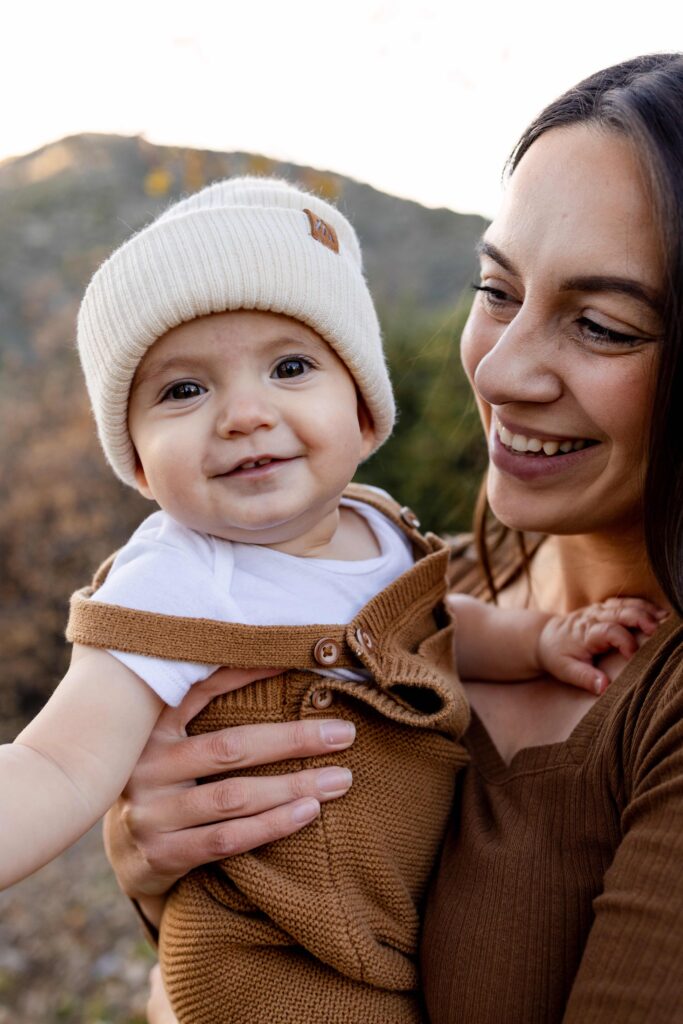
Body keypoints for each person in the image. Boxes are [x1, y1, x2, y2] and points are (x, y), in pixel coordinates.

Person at [102, 54, 683, 1023]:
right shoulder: (389, 589)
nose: (497, 371)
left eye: (599, 326)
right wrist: (157, 862)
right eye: (494, 290)